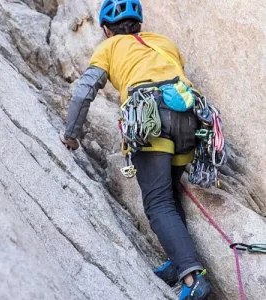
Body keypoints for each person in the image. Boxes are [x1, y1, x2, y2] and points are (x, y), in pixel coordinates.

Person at [60, 1, 211, 299]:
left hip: (150, 118)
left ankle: (193, 280)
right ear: (139, 23)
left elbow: (83, 91)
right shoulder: (165, 42)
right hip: (189, 119)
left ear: (105, 29)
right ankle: (177, 261)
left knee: (157, 202)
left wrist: (71, 136)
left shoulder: (109, 46)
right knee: (168, 193)